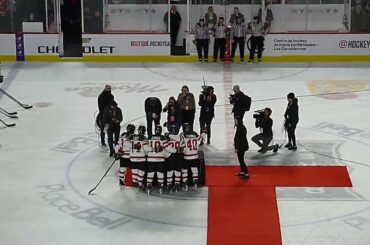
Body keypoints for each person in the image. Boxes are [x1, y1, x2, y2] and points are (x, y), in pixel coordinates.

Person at [180, 123, 206, 191]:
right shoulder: (195, 133)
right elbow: (201, 140)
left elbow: (180, 143)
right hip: (195, 156)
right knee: (194, 170)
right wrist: (203, 132)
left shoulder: (182, 134)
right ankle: (195, 184)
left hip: (186, 157)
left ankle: (185, 185)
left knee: (184, 171)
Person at [146, 125, 169, 195]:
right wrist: (167, 156)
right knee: (160, 174)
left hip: (150, 159)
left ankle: (148, 187)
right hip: (160, 159)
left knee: (150, 174)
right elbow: (167, 148)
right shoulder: (163, 138)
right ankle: (161, 187)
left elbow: (145, 148)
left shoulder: (149, 137)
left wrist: (150, 151)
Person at [115, 124, 135, 188]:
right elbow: (131, 146)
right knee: (133, 169)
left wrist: (117, 152)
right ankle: (133, 181)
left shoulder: (122, 135)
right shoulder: (133, 137)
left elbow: (118, 145)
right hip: (129, 156)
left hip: (122, 155)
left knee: (122, 168)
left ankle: (121, 180)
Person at [129, 125, 148, 189]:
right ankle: (139, 183)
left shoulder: (131, 136)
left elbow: (126, 144)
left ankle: (135, 182)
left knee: (134, 171)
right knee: (141, 171)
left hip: (133, 158)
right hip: (141, 158)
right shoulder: (144, 138)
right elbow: (146, 148)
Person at [165, 125, 183, 192]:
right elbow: (183, 147)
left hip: (170, 156)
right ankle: (177, 184)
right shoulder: (180, 137)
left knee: (170, 171)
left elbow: (165, 147)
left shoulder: (166, 137)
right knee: (177, 171)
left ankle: (169, 184)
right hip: (178, 156)